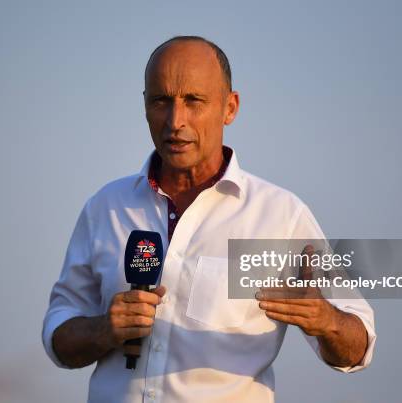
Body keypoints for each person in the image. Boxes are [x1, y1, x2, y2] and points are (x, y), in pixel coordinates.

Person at [42, 36, 376, 402]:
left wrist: (327, 322)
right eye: (161, 101)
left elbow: (358, 348)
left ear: (230, 108)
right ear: (144, 106)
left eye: (194, 101)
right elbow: (59, 336)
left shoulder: (280, 215)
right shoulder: (105, 207)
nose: (175, 121)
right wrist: (104, 330)